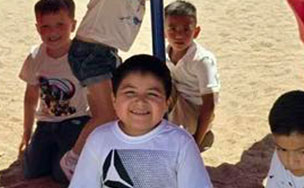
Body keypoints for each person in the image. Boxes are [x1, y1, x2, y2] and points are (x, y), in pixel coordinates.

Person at [61, 0, 180, 179]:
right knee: (105, 115)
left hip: (106, 52)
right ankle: (73, 160)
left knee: (117, 111)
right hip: (90, 49)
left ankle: (103, 155)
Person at [69, 54, 212, 187]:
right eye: (130, 93)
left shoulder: (181, 142)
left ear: (167, 103)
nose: (140, 101)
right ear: (114, 99)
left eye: (152, 94)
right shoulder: (98, 139)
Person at [19, 0, 90, 182]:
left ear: (73, 25)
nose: (53, 32)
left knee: (62, 174)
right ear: (37, 28)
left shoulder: (81, 57)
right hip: (46, 122)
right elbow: (30, 96)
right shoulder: (36, 57)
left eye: (60, 25)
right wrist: (27, 130)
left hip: (76, 120)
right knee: (32, 170)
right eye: (45, 26)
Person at [164, 0, 219, 151]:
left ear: (196, 32)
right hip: (175, 101)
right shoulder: (164, 53)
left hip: (195, 111)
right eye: (172, 29)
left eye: (186, 30)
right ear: (163, 31)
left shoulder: (201, 60)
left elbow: (209, 103)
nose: (179, 35)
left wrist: (196, 141)